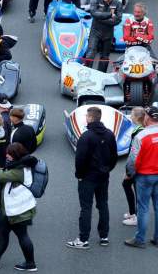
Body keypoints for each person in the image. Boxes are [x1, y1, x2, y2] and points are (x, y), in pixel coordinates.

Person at [0, 143, 38, 272]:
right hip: (10, 209)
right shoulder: (20, 164)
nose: (6, 155)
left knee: (22, 236)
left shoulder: (19, 170)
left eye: (9, 154)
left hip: (18, 211)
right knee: (2, 233)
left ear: (16, 155)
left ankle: (30, 263)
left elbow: (1, 176)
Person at [66, 106, 117, 249]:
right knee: (103, 205)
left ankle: (83, 240)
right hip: (103, 177)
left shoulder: (86, 136)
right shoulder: (109, 134)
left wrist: (80, 175)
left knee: (86, 207)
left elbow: (80, 159)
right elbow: (114, 156)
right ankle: (104, 236)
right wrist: (107, 169)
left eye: (86, 116)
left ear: (90, 117)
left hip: (88, 178)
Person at [124, 106, 158, 248]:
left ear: (147, 118)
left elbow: (133, 160)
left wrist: (130, 174)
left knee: (143, 208)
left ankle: (140, 239)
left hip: (144, 176)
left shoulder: (141, 136)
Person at [85, 0, 122, 72]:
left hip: (108, 34)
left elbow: (118, 20)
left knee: (105, 56)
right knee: (90, 53)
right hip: (95, 32)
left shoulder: (117, 3)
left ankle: (101, 75)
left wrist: (100, 18)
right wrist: (110, 15)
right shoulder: (96, 0)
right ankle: (86, 73)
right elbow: (93, 13)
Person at [122, 106, 145, 227]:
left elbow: (134, 153)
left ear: (136, 117)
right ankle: (133, 213)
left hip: (138, 167)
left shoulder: (138, 132)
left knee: (134, 188)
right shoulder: (141, 128)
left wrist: (129, 171)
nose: (130, 116)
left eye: (131, 114)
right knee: (129, 186)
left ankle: (135, 216)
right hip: (140, 166)